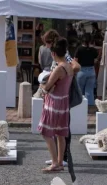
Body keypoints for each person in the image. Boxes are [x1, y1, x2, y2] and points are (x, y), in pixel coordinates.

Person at [38, 38, 73, 172]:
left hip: (54, 102)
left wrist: (43, 85)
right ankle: (59, 162)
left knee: (46, 132)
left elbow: (47, 86)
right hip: (63, 101)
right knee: (60, 133)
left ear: (53, 54)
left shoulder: (59, 68)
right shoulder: (68, 65)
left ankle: (54, 162)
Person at [75, 33, 98, 105]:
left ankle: (81, 106)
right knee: (90, 91)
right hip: (91, 71)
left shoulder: (79, 49)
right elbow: (95, 61)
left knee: (80, 91)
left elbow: (75, 61)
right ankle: (90, 106)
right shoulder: (93, 50)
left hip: (81, 71)